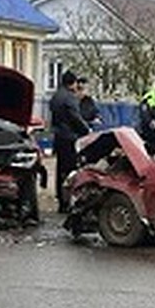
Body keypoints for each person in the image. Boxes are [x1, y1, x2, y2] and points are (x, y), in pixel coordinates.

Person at [49, 69, 90, 211]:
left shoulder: (55, 97)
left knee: (60, 170)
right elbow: (75, 118)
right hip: (70, 138)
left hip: (58, 137)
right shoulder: (70, 98)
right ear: (72, 83)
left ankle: (61, 200)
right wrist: (86, 130)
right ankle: (69, 201)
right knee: (71, 171)